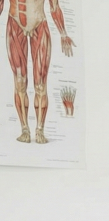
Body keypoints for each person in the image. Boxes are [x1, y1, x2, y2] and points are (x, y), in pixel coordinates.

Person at [3, 0, 74, 144]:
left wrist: (63, 33)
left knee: (40, 84)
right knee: (20, 82)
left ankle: (40, 129)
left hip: (39, 24)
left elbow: (54, 7)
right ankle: (24, 129)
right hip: (15, 24)